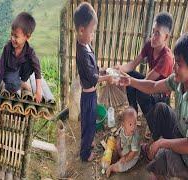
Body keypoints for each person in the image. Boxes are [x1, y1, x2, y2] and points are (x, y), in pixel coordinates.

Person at [119, 32, 188, 180]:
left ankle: (161, 165)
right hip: (183, 133)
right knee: (161, 109)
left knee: (162, 155)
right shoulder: (181, 79)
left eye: (178, 64)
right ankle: (158, 157)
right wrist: (130, 81)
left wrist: (162, 143)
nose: (174, 67)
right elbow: (153, 86)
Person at [73, 2, 115, 162]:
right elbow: (92, 77)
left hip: (91, 94)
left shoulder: (85, 45)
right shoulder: (82, 53)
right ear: (81, 30)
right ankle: (85, 154)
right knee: (88, 125)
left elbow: (93, 68)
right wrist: (106, 78)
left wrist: (102, 70)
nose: (93, 35)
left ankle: (89, 143)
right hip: (88, 96)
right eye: (92, 31)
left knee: (90, 123)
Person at [118, 12, 174, 119]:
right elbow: (133, 64)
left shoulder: (167, 58)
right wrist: (119, 69)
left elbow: (147, 82)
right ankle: (132, 112)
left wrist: (128, 80)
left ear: (166, 37)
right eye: (153, 32)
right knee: (130, 74)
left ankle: (151, 121)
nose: (153, 37)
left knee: (140, 91)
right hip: (150, 84)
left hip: (161, 94)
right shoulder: (150, 45)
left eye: (157, 33)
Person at [0, 12, 42, 103]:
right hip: (9, 72)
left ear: (27, 37)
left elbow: (37, 69)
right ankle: (20, 84)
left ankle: (22, 82)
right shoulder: (8, 48)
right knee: (11, 85)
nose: (12, 38)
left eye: (16, 36)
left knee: (33, 62)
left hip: (21, 71)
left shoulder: (29, 50)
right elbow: (1, 68)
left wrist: (38, 90)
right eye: (12, 34)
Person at [106, 107, 140, 177]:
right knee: (114, 150)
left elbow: (133, 153)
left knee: (122, 166)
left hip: (132, 156)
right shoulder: (122, 129)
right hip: (123, 149)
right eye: (130, 124)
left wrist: (125, 159)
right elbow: (119, 137)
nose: (133, 127)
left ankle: (112, 167)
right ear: (123, 124)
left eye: (135, 123)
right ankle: (113, 160)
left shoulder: (135, 137)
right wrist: (118, 145)